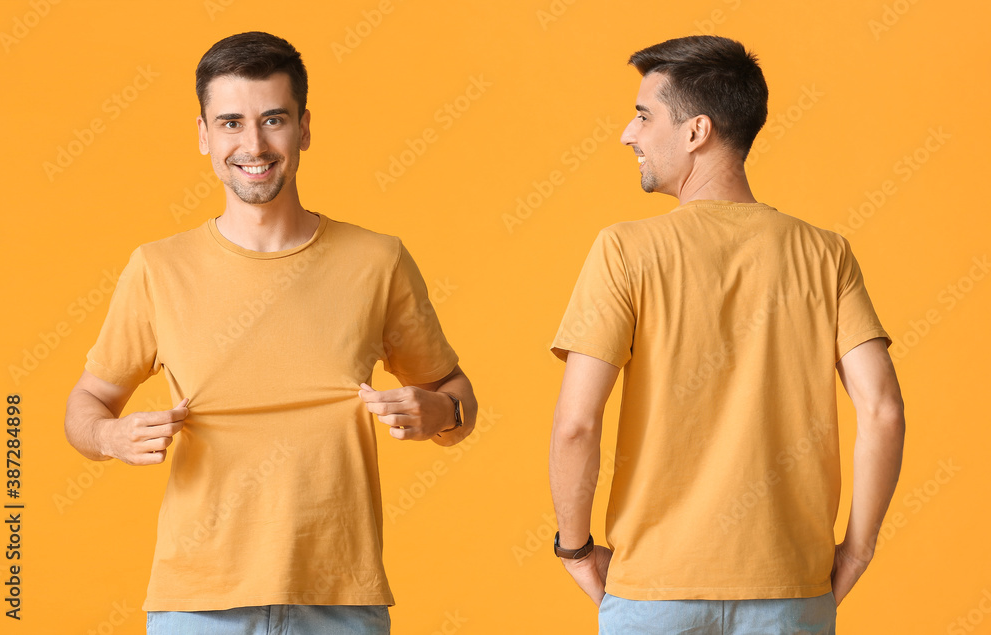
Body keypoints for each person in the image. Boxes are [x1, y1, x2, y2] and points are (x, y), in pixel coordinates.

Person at [63, 31, 477, 635]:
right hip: (197, 604)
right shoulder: (156, 268)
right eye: (230, 122)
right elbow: (85, 404)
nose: (252, 144)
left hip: (341, 600)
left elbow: (459, 397)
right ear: (203, 134)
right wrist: (110, 435)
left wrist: (438, 411)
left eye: (273, 119)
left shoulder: (377, 261)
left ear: (304, 128)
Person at [548, 35, 905, 634]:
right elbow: (883, 410)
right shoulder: (825, 254)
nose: (627, 135)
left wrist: (576, 550)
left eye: (643, 115)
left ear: (697, 131)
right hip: (791, 586)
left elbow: (577, 424)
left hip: (654, 591)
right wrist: (858, 550)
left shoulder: (625, 250)